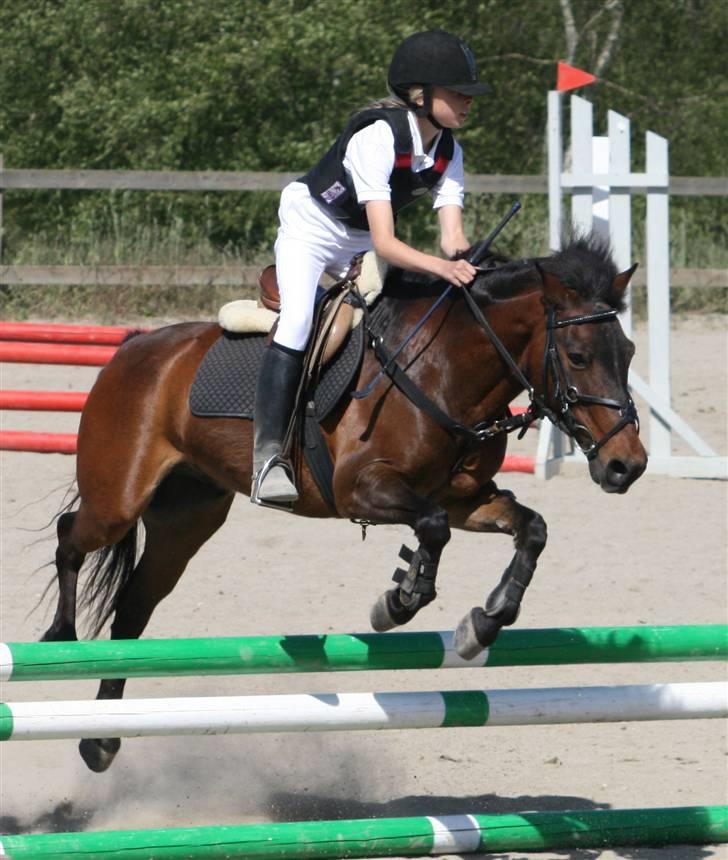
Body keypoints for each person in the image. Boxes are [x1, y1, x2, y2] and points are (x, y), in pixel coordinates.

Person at [252, 29, 489, 506]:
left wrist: (467, 262)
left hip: (358, 240)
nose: (468, 102)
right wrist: (441, 270)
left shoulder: (449, 152)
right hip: (312, 228)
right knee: (299, 319)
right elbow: (387, 240)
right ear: (420, 95)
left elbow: (451, 238)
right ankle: (268, 459)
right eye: (457, 93)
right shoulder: (378, 136)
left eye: (470, 94)